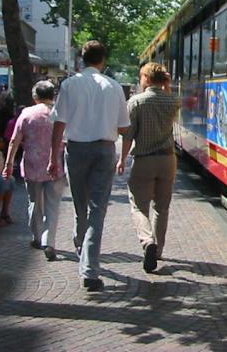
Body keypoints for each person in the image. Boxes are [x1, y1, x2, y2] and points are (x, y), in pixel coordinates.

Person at [50, 40, 129, 292]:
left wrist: (53, 157)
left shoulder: (69, 85)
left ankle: (80, 245)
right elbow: (124, 126)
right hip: (105, 149)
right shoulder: (114, 87)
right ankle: (90, 270)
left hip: (76, 149)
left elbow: (58, 124)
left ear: (81, 59)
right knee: (98, 209)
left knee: (79, 204)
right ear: (102, 60)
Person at [117, 62, 180, 273]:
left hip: (144, 160)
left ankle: (147, 241)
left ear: (146, 78)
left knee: (138, 205)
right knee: (162, 207)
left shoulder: (136, 102)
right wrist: (167, 87)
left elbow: (128, 135)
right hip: (168, 160)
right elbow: (174, 103)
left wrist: (122, 159)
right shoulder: (172, 100)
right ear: (163, 79)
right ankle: (159, 249)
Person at [4, 81, 65, 261]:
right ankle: (49, 241)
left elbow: (14, 140)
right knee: (52, 205)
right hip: (55, 165)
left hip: (32, 164)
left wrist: (8, 164)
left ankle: (37, 237)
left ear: (35, 97)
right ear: (53, 96)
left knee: (34, 202)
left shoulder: (26, 114)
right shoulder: (59, 114)